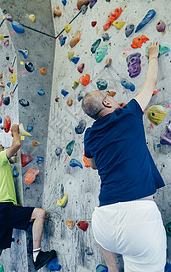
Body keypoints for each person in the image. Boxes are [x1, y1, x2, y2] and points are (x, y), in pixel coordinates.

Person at [82, 42, 167, 272]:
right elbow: (149, 85)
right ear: (108, 102)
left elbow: (92, 164)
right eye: (109, 95)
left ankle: (112, 268)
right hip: (138, 217)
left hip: (104, 221)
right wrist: (152, 56)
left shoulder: (89, 135)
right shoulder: (128, 114)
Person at [0, 124, 56, 272]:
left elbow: (13, 156)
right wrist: (15, 131)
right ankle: (37, 255)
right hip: (4, 208)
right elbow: (17, 145)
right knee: (40, 214)